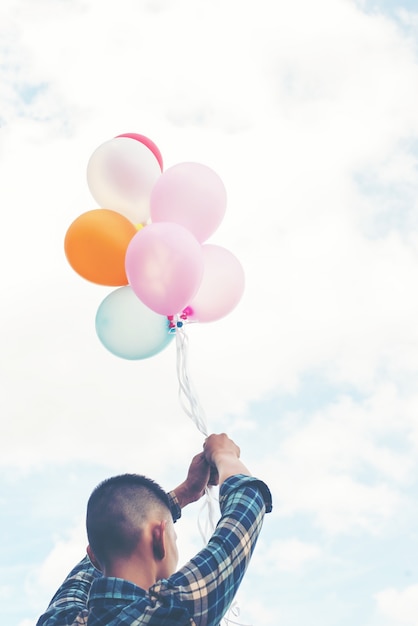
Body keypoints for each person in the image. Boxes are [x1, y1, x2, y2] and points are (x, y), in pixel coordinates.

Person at [36, 433, 272, 626]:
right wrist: (224, 453)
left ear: (94, 556)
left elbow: (106, 538)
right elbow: (246, 509)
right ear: (159, 537)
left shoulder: (59, 620)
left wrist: (184, 493)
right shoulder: (172, 612)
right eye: (173, 537)